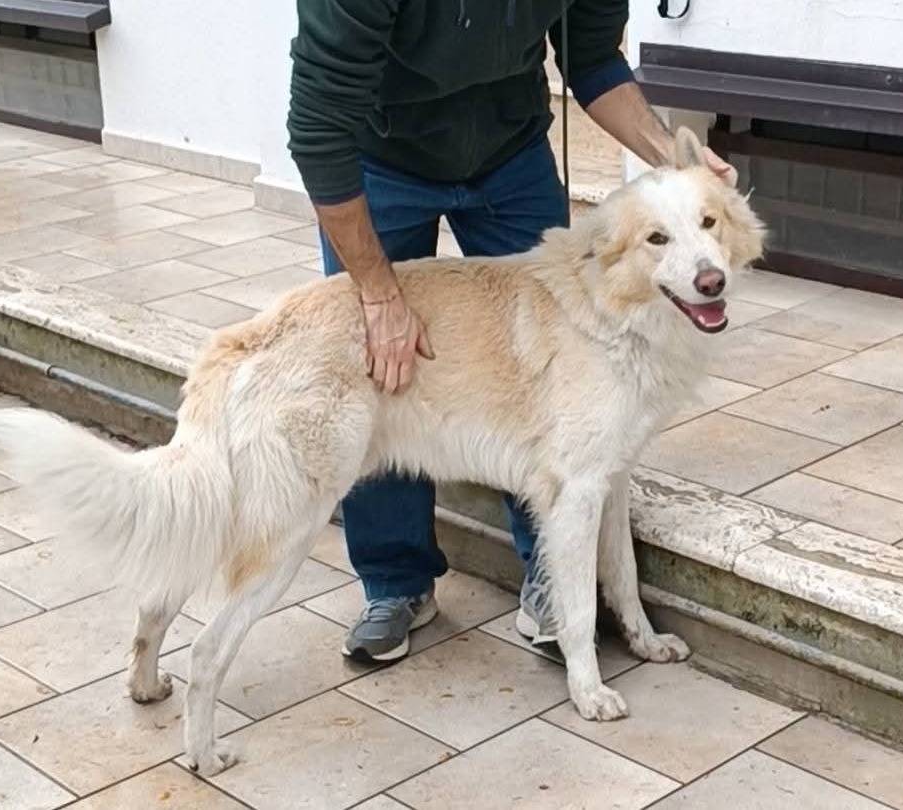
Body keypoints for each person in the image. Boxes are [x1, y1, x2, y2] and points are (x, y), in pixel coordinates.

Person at [287, 0, 735, 663]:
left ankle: (551, 582)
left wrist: (674, 162)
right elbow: (318, 125)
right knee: (387, 371)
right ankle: (396, 585)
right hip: (381, 157)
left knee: (552, 381)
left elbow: (592, 58)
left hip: (508, 151)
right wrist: (380, 296)